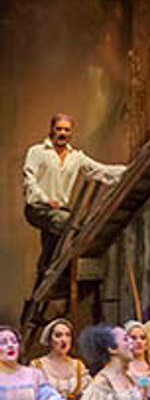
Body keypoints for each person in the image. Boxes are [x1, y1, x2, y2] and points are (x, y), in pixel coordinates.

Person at [23, 113, 127, 280]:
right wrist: (46, 199)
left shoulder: (76, 157)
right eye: (58, 129)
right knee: (65, 222)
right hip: (37, 208)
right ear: (51, 130)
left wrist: (126, 171)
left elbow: (100, 170)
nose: (62, 133)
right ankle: (49, 267)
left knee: (53, 235)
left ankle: (44, 272)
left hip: (59, 209)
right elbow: (29, 180)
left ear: (71, 133)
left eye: (66, 130)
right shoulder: (37, 152)